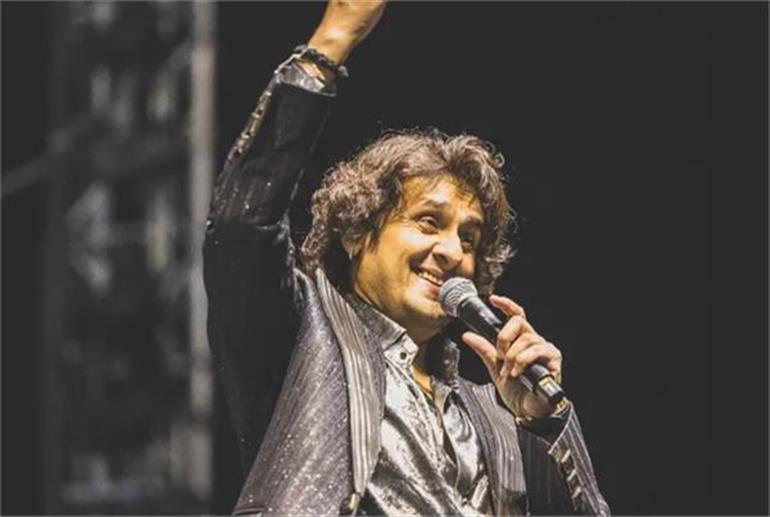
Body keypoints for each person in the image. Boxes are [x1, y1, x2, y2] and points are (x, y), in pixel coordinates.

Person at [204, 1, 610, 514]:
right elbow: (241, 227)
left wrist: (543, 423)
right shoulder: (300, 341)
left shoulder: (491, 410)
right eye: (428, 222)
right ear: (357, 232)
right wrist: (330, 44)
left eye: (469, 238)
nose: (452, 251)